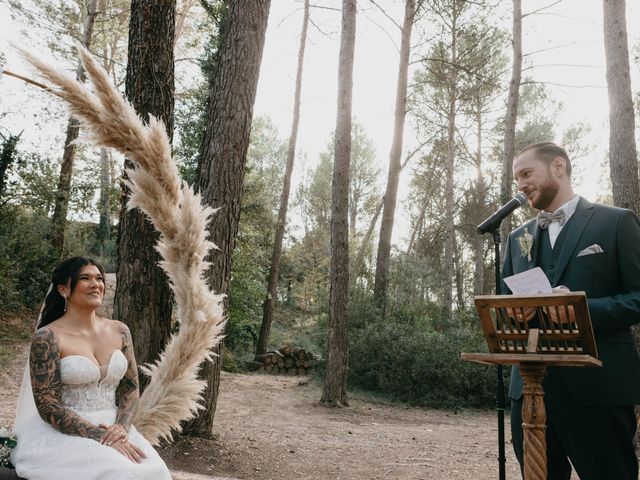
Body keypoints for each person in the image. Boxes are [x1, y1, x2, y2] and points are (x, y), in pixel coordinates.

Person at [501, 142, 640, 479]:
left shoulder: (616, 222)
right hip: (530, 391)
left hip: (598, 384)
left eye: (526, 173)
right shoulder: (517, 237)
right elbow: (504, 303)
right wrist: (513, 314)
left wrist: (582, 309)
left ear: (558, 167)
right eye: (516, 178)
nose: (520, 185)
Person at [10, 256, 171, 479]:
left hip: (115, 426)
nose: (96, 284)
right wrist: (101, 436)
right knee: (118, 472)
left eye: (99, 278)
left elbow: (130, 388)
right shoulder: (48, 337)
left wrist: (122, 429)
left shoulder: (120, 331)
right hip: (66, 432)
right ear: (64, 289)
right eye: (85, 278)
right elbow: (48, 406)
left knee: (155, 470)